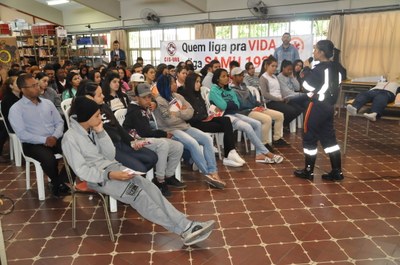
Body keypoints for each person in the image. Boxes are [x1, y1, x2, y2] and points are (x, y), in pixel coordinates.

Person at [62, 96, 216, 246]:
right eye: (96, 116)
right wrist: (109, 175)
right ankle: (185, 229)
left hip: (114, 168)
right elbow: (81, 171)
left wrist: (101, 133)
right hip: (99, 179)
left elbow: (109, 154)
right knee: (139, 196)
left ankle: (186, 225)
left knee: (150, 187)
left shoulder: (93, 130)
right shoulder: (70, 139)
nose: (100, 118)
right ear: (85, 117)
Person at [153, 74, 226, 189]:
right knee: (192, 143)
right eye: (172, 82)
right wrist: (183, 114)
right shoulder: (159, 101)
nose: (175, 84)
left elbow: (191, 111)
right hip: (171, 130)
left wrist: (177, 113)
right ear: (166, 85)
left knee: (207, 139)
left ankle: (213, 171)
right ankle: (207, 173)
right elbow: (169, 121)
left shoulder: (177, 96)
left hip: (185, 126)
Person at [75, 80, 158, 175]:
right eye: (99, 95)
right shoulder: (86, 115)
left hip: (120, 141)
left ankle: (134, 179)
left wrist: (131, 141)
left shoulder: (104, 107)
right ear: (88, 98)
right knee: (140, 168)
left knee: (152, 157)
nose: (103, 96)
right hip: (109, 147)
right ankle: (129, 180)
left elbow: (118, 127)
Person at [294, 40, 346, 182]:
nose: (314, 52)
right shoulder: (337, 68)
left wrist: (305, 69)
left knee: (309, 136)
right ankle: (337, 171)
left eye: (316, 49)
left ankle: (308, 171)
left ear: (322, 52)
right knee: (329, 138)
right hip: (329, 107)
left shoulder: (319, 70)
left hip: (316, 106)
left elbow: (307, 85)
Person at [9, 74, 68, 196]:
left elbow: (59, 122)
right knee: (49, 160)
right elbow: (22, 134)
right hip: (32, 143)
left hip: (54, 137)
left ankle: (58, 183)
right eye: (33, 86)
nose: (37, 87)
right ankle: (58, 184)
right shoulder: (16, 109)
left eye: (37, 84)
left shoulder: (47, 103)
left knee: (75, 152)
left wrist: (55, 136)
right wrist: (44, 139)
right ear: (23, 89)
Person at [209, 68, 284, 164]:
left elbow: (237, 104)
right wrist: (229, 104)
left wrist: (228, 104)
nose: (227, 78)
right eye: (223, 76)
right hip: (224, 117)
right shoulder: (214, 90)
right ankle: (267, 152)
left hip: (234, 113)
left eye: (227, 75)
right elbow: (223, 106)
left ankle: (259, 155)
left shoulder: (229, 89)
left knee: (257, 124)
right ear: (217, 79)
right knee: (247, 126)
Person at [123, 83, 186, 196]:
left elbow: (148, 130)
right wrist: (163, 133)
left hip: (145, 137)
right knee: (162, 144)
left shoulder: (143, 107)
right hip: (135, 141)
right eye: (144, 98)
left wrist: (154, 103)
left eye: (149, 97)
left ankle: (169, 175)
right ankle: (159, 180)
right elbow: (145, 132)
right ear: (136, 98)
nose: (148, 100)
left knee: (178, 146)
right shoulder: (135, 110)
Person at [179, 72, 245, 167]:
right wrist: (203, 116)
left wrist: (211, 113)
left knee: (226, 120)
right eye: (197, 82)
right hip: (195, 123)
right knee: (225, 126)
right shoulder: (184, 95)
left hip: (204, 119)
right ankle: (229, 154)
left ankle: (231, 152)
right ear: (191, 82)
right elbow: (189, 116)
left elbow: (203, 111)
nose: (199, 84)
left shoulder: (198, 94)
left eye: (200, 82)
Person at [230, 67, 288, 148]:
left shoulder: (244, 86)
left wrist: (259, 104)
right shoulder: (231, 90)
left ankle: (277, 139)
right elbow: (241, 104)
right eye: (239, 75)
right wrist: (253, 108)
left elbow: (251, 98)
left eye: (242, 75)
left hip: (253, 109)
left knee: (279, 115)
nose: (242, 77)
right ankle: (263, 143)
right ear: (233, 77)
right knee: (267, 119)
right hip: (244, 112)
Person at [259, 56, 304, 128]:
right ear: (267, 66)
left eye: (276, 66)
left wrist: (284, 98)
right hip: (270, 102)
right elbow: (265, 94)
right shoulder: (263, 78)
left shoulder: (275, 77)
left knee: (299, 109)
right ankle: (279, 125)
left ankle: (281, 124)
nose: (274, 68)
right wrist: (278, 99)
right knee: (291, 111)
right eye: (272, 66)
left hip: (280, 100)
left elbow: (280, 90)